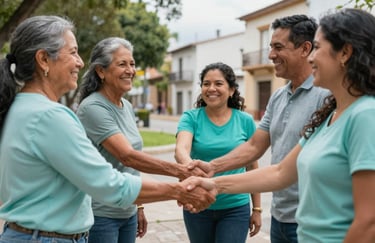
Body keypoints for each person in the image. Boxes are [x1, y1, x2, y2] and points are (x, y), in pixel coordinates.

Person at [0, 15, 215, 243]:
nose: (81, 62)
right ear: (43, 59)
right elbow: (108, 183)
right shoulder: (49, 115)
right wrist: (179, 189)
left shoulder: (19, 107)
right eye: (73, 52)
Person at [187, 8, 375, 242]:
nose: (312, 57)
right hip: (284, 220)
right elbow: (279, 172)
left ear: (345, 53)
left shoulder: (366, 115)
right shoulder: (330, 114)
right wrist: (213, 181)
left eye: (317, 47)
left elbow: (369, 222)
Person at [76, 37, 210, 243]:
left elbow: (130, 165)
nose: (130, 70)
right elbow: (127, 156)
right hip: (101, 214)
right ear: (101, 71)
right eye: (122, 64)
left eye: (132, 64)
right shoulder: (93, 107)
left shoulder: (126, 106)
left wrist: (139, 205)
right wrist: (181, 171)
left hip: (127, 211)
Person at [174, 62, 261, 243]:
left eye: (218, 84)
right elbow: (181, 150)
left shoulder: (245, 120)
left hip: (235, 206)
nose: (211, 88)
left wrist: (257, 209)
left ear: (231, 90)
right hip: (197, 204)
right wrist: (190, 168)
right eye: (206, 84)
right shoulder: (191, 117)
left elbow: (252, 166)